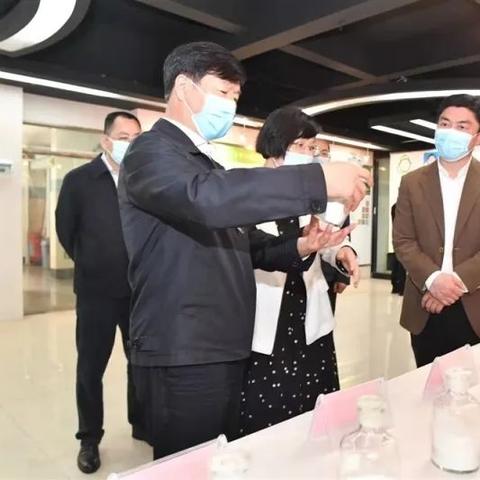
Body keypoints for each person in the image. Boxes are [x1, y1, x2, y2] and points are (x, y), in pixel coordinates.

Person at [118, 41, 372, 459]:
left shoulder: (203, 162)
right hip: (186, 348)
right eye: (223, 92)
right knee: (190, 463)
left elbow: (246, 243)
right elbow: (207, 198)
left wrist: (302, 244)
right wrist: (317, 180)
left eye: (235, 97)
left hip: (218, 344)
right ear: (183, 87)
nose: (230, 105)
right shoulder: (151, 151)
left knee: (218, 458)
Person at [239, 107, 360, 436]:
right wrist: (305, 246)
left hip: (309, 314)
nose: (308, 154)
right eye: (301, 146)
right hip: (267, 318)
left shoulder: (309, 193)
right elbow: (253, 248)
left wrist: (341, 251)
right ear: (276, 143)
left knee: (314, 417)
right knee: (268, 421)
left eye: (312, 147)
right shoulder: (247, 190)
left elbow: (324, 240)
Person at [56, 112, 145, 474]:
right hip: (96, 293)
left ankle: (142, 422)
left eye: (137, 138)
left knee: (140, 362)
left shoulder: (143, 180)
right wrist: (94, 262)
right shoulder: (80, 180)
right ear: (106, 140)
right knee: (91, 368)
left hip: (138, 290)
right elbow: (66, 231)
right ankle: (89, 438)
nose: (131, 144)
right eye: (124, 137)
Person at [393, 94, 480, 368]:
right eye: (445, 123)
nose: (450, 131)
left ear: (477, 137)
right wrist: (433, 280)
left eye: (462, 126)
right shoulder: (411, 183)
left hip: (474, 306)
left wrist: (453, 283)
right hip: (424, 307)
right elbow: (403, 241)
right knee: (428, 384)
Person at [314, 138, 354, 313]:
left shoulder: (337, 192)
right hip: (295, 271)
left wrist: (343, 275)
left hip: (329, 271)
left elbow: (344, 232)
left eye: (324, 153)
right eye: (314, 150)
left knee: (326, 316)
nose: (319, 156)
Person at [390, 203, 406, 295]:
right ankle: (401, 288)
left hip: (396, 236)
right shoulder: (403, 207)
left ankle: (395, 286)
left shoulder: (394, 207)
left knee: (396, 261)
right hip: (404, 237)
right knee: (401, 264)